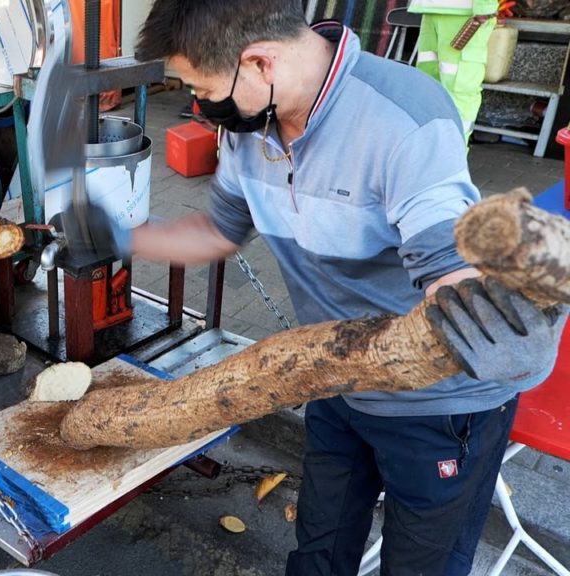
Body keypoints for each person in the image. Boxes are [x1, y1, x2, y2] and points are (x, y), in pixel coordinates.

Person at [54, 1, 565, 574]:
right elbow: (217, 231)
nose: (199, 104)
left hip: (438, 407)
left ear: (261, 64)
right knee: (318, 551)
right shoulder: (251, 126)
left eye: (203, 87)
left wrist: (493, 290)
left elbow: (444, 255)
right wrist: (116, 234)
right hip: (331, 376)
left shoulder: (403, 118)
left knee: (421, 565)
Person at [409, 0, 499, 142]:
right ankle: (446, 152)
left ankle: (440, 151)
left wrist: (485, 7)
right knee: (451, 86)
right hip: (453, 12)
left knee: (439, 85)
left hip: (445, 11)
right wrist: (485, 7)